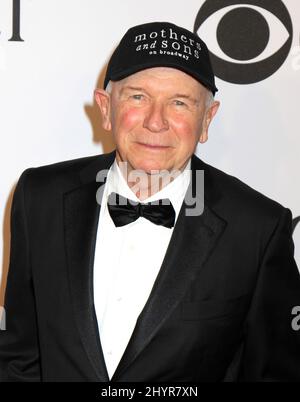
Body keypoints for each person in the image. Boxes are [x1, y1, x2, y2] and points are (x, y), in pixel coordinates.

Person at [0, 21, 299, 382]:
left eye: (179, 103)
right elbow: (19, 357)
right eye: (138, 96)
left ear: (207, 119)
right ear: (106, 108)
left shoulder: (257, 229)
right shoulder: (39, 197)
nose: (156, 122)